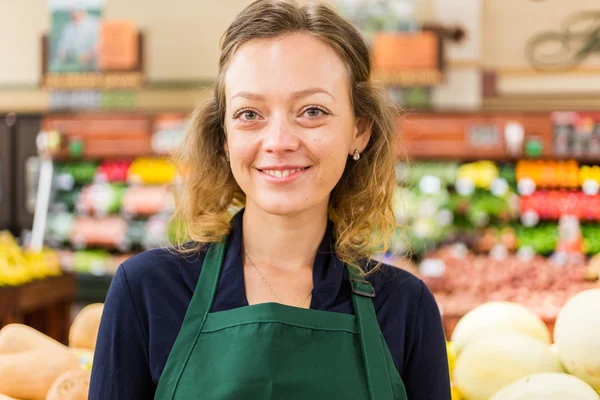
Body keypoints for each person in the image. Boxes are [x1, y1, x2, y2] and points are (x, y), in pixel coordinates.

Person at [89, 0, 451, 398]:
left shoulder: (405, 307)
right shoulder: (147, 291)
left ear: (359, 131)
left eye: (312, 111)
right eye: (249, 114)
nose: (279, 142)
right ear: (224, 137)